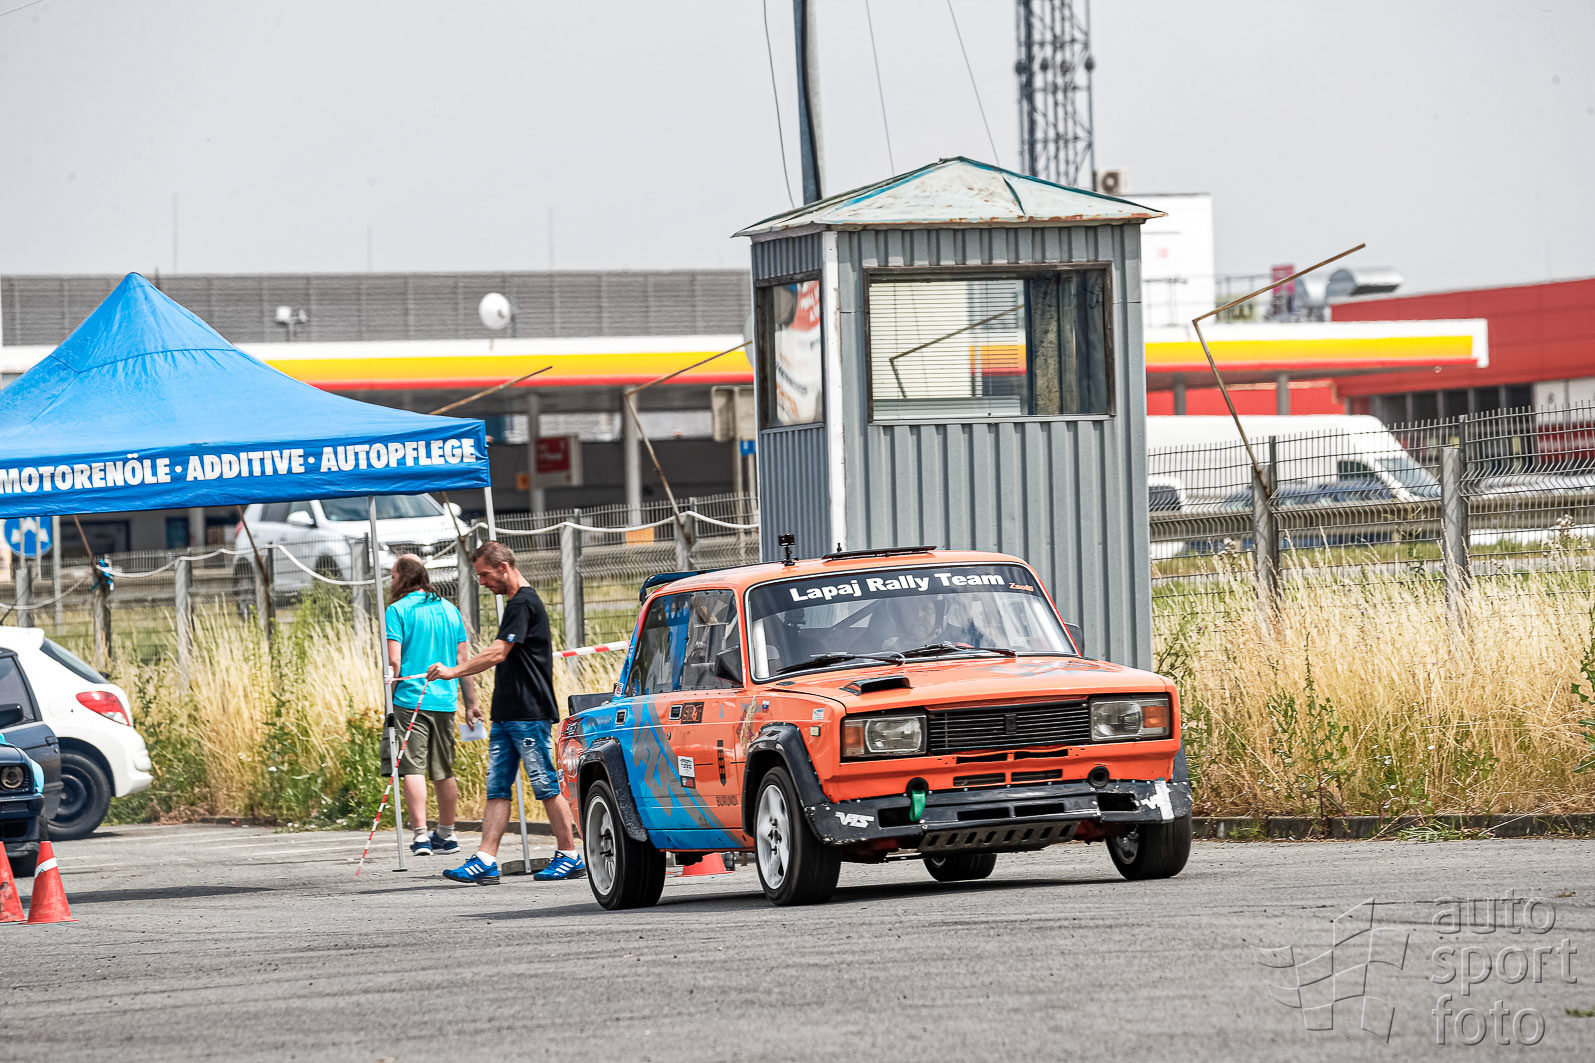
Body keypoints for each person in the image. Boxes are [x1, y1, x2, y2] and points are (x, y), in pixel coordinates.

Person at [429, 540, 583, 885]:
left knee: (545, 784)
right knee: (497, 788)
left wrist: (454, 671)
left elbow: (498, 652)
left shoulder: (523, 602)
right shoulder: (515, 604)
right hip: (507, 713)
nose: (482, 582)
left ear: (503, 568)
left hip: (529, 713)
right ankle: (486, 859)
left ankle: (569, 854)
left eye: (484, 575)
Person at [382, 554, 476, 857]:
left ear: (404, 577)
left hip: (410, 698)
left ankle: (421, 835)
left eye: (393, 576)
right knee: (443, 769)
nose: (392, 581)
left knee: (412, 767)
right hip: (445, 699)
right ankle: (447, 834)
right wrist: (471, 702)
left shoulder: (396, 610)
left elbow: (394, 661)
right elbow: (463, 661)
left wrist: (388, 696)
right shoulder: (450, 609)